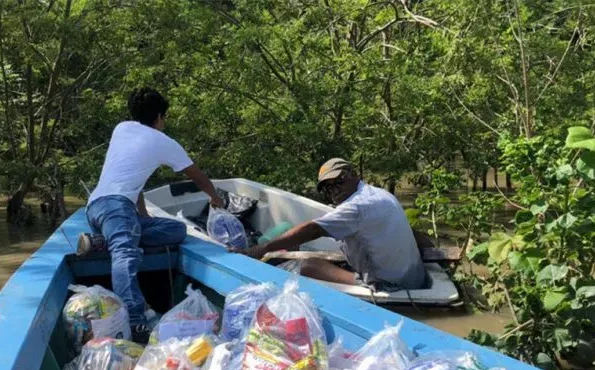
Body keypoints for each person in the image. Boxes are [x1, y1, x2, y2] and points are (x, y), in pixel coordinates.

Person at [77, 87, 224, 341]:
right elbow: (197, 176)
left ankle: (102, 241)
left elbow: (134, 175)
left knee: (177, 230)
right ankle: (134, 320)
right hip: (117, 207)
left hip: (97, 207)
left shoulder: (121, 129)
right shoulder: (163, 141)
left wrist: (142, 215)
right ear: (159, 117)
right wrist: (215, 197)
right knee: (125, 254)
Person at [236, 158, 425, 290]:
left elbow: (311, 230)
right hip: (413, 277)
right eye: (328, 187)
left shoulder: (357, 207)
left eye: (339, 181)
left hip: (388, 285)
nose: (334, 190)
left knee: (309, 266)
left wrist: (260, 249)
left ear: (354, 175)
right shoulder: (380, 194)